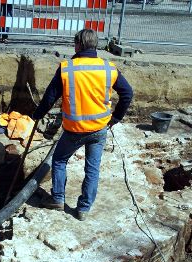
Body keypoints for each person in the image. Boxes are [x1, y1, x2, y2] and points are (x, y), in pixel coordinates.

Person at [32, 29, 133, 221]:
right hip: (99, 129)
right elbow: (127, 93)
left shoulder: (67, 68)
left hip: (74, 130)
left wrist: (36, 115)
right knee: (92, 169)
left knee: (60, 160)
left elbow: (49, 99)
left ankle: (58, 199)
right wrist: (116, 118)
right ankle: (83, 209)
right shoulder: (108, 68)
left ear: (78, 45)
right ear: (95, 45)